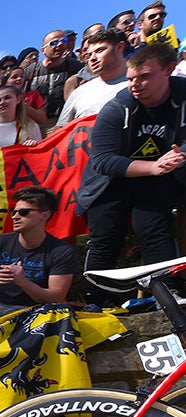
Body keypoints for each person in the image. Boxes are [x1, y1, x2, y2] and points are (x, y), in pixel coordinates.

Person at [78, 43, 186, 309]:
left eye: (144, 77)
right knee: (105, 235)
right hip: (111, 181)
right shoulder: (116, 108)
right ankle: (95, 299)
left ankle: (168, 292)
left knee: (154, 227)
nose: (135, 84)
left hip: (160, 177)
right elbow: (102, 161)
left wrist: (180, 154)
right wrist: (152, 166)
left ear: (169, 70)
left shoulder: (183, 97)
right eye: (130, 78)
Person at [0, 186, 79, 321]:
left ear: (44, 215)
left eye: (24, 212)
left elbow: (56, 298)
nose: (15, 217)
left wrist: (23, 282)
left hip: (35, 310)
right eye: (13, 212)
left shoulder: (61, 251)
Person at [56, 28, 131, 126]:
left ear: (120, 47)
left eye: (99, 51)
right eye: (89, 55)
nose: (92, 58)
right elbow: (61, 131)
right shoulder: (79, 93)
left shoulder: (140, 84)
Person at [27, 30, 80, 129]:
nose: (60, 44)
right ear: (43, 50)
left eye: (63, 40)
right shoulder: (31, 71)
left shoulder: (75, 66)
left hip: (64, 124)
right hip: (36, 126)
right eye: (54, 43)